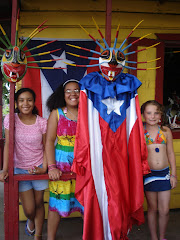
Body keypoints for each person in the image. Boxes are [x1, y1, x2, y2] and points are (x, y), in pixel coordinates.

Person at [0, 88, 48, 240]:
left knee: (39, 203)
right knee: (29, 209)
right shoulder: (10, 119)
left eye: (29, 100)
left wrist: (44, 168)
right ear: (16, 103)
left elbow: (47, 146)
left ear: (34, 103)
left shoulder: (42, 122)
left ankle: (38, 236)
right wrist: (5, 169)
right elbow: (8, 144)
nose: (25, 103)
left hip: (39, 167)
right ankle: (31, 221)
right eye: (21, 100)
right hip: (19, 169)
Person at [45, 80, 84, 240]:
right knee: (56, 206)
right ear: (63, 94)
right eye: (68, 90)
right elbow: (49, 141)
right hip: (61, 168)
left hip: (83, 167)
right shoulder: (57, 113)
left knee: (86, 205)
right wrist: (52, 166)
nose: (73, 94)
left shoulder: (87, 113)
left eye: (76, 90)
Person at [141, 100, 177, 240]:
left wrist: (173, 174)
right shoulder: (140, 131)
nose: (152, 116)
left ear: (161, 114)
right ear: (143, 115)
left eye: (156, 113)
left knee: (165, 210)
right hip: (149, 175)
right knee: (152, 208)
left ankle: (162, 237)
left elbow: (170, 154)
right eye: (149, 113)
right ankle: (154, 237)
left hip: (164, 174)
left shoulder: (165, 131)